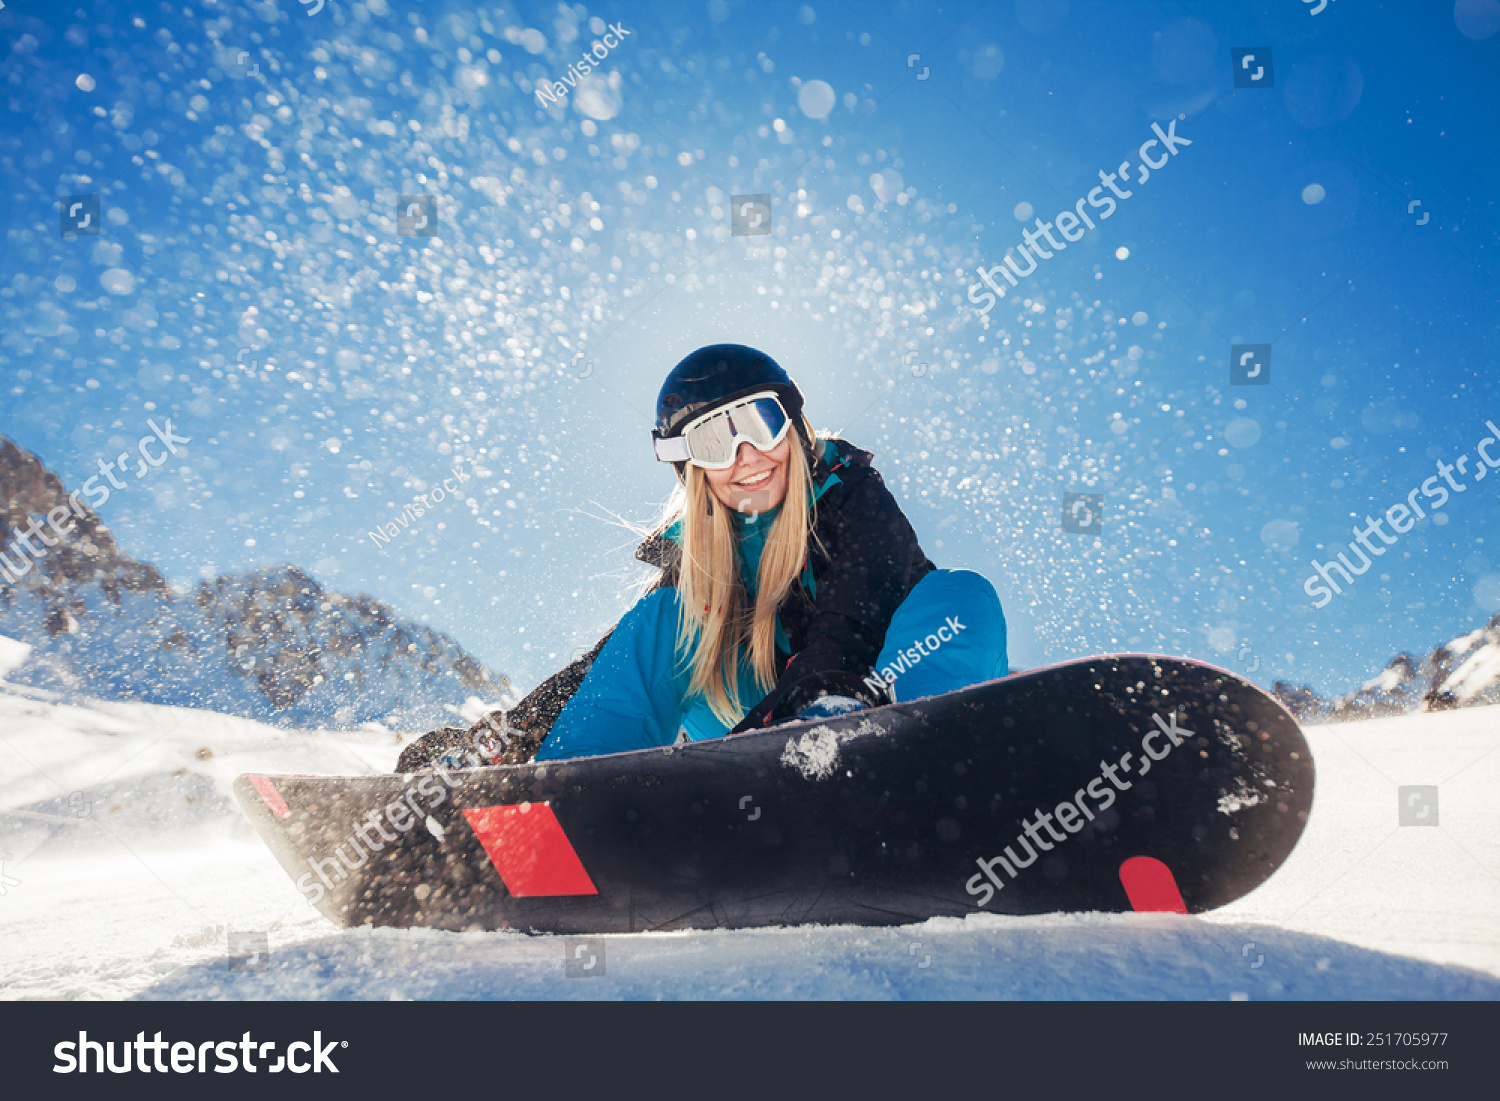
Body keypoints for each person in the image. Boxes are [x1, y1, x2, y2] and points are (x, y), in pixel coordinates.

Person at [396, 344, 1008, 772]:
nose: (745, 455)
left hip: (876, 700)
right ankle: (562, 795)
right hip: (758, 733)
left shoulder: (850, 496)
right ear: (694, 468)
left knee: (960, 597)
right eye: (715, 441)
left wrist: (817, 708)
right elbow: (609, 668)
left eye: (759, 423)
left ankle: (926, 760)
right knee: (664, 620)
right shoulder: (699, 555)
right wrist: (509, 737)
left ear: (792, 423)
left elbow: (857, 609)